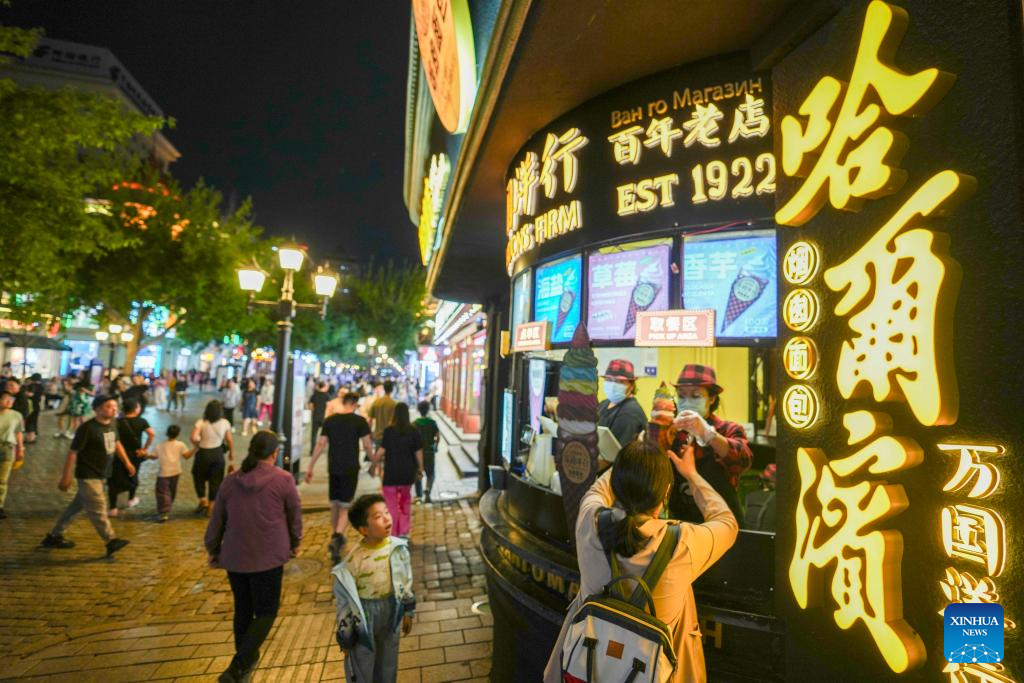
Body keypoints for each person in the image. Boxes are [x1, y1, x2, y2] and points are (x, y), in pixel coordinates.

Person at [543, 440, 738, 683]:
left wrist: (633, 460)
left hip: (586, 668)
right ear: (666, 493)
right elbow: (727, 522)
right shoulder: (683, 543)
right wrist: (691, 474)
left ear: (616, 485)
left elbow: (597, 490)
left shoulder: (589, 522)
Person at [205, 431, 302, 683]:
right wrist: (295, 543)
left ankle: (243, 666)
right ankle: (239, 666)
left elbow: (217, 520)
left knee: (243, 610)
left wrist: (213, 549)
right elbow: (294, 516)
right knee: (267, 611)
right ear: (274, 453)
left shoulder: (230, 481)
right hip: (268, 556)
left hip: (235, 556)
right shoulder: (283, 479)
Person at [333, 493, 415, 683]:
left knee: (389, 658)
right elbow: (344, 601)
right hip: (363, 615)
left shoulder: (398, 548)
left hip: (391, 609)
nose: (387, 518)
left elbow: (406, 579)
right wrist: (345, 636)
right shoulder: (354, 560)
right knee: (363, 661)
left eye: (386, 512)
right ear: (363, 529)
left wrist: (408, 610)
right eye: (378, 516)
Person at [41, 395, 133, 557]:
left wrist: (126, 462)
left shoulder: (112, 424)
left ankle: (54, 535)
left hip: (102, 474)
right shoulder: (87, 428)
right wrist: (66, 476)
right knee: (98, 508)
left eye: (115, 406)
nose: (114, 409)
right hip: (88, 475)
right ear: (97, 409)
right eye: (109, 406)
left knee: (75, 507)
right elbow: (73, 452)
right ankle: (111, 540)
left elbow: (117, 443)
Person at [668, 364, 752, 523]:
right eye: (681, 396)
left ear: (712, 398)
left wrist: (708, 434)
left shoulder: (729, 429)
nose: (687, 402)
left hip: (722, 525)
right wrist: (662, 429)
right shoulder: (674, 434)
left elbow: (743, 460)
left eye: (695, 396)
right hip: (682, 524)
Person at [305, 392, 372, 564]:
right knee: (345, 505)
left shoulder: (330, 421)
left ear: (342, 402)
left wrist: (310, 466)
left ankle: (335, 534)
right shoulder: (359, 422)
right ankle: (337, 536)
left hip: (333, 466)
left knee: (334, 502)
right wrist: (374, 462)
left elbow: (320, 444)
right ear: (355, 404)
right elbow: (367, 444)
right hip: (350, 468)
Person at [371, 403, 423, 539]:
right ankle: (404, 532)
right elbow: (418, 452)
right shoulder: (414, 431)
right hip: (407, 474)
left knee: (391, 506)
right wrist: (421, 468)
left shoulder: (389, 431)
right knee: (405, 503)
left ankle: (393, 532)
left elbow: (382, 450)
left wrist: (373, 464)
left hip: (391, 474)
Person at [109, 398, 154, 515]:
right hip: (135, 454)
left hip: (118, 453)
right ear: (136, 409)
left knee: (114, 478)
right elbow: (151, 434)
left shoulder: (118, 422)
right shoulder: (142, 421)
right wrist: (145, 449)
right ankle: (131, 499)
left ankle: (113, 508)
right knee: (133, 474)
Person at [191, 399, 235, 517]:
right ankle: (211, 506)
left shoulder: (201, 422)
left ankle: (203, 500)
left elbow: (193, 437)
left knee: (198, 476)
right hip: (218, 454)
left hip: (203, 453)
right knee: (216, 480)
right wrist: (231, 452)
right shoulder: (225, 423)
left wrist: (198, 442)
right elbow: (229, 439)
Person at [597, 359, 648, 449]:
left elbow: (615, 454)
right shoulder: (604, 404)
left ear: (631, 385)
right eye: (609, 380)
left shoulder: (630, 413)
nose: (612, 385)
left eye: (619, 382)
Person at [151, 425, 194, 522]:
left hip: (163, 473)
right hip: (176, 472)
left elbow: (153, 457)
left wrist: (144, 455)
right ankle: (167, 507)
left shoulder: (160, 445)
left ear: (167, 433)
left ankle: (164, 512)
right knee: (172, 491)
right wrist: (196, 448)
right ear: (178, 434)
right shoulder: (181, 445)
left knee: (163, 492)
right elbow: (187, 456)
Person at [0, 390, 25, 519]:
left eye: (11, 399)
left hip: (7, 448)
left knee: (3, 480)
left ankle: (0, 506)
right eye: (6, 399)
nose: (9, 402)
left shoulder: (16, 415)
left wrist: (21, 448)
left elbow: (18, 432)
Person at [412, 401, 439, 504]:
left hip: (417, 453)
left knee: (418, 473)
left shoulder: (414, 424)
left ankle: (419, 496)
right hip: (429, 452)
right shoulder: (432, 423)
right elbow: (438, 437)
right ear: (428, 410)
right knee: (431, 474)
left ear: (419, 410)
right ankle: (428, 489)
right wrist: (435, 446)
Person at [368, 380, 397, 449]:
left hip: (378, 435)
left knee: (378, 456)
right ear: (392, 389)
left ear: (384, 388)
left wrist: (369, 433)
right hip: (390, 436)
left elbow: (370, 420)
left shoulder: (377, 402)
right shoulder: (394, 404)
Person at [307, 381, 330, 455]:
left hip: (315, 417)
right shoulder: (327, 396)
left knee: (313, 434)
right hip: (324, 417)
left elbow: (310, 406)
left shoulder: (314, 395)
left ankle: (312, 450)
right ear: (324, 386)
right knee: (327, 434)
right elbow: (329, 407)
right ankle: (327, 449)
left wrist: (315, 410)